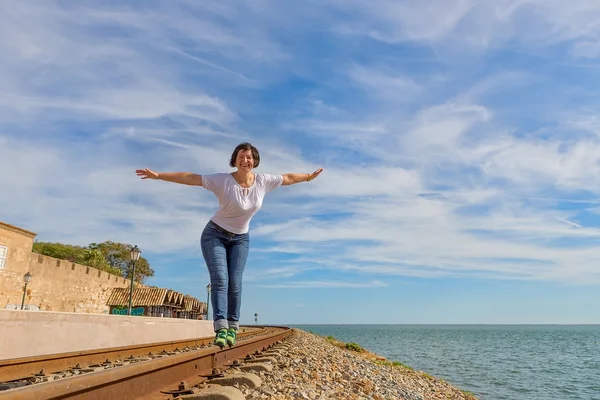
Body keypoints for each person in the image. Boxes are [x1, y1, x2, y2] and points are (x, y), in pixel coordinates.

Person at [135, 142, 323, 348]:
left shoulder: (263, 181)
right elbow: (191, 178)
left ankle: (233, 326)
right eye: (241, 157)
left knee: (235, 283)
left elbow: (287, 178)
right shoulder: (222, 180)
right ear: (234, 160)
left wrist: (308, 177)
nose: (245, 160)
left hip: (241, 238)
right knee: (220, 281)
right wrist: (158, 175)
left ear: (255, 161)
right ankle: (221, 328)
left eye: (249, 157)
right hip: (214, 234)